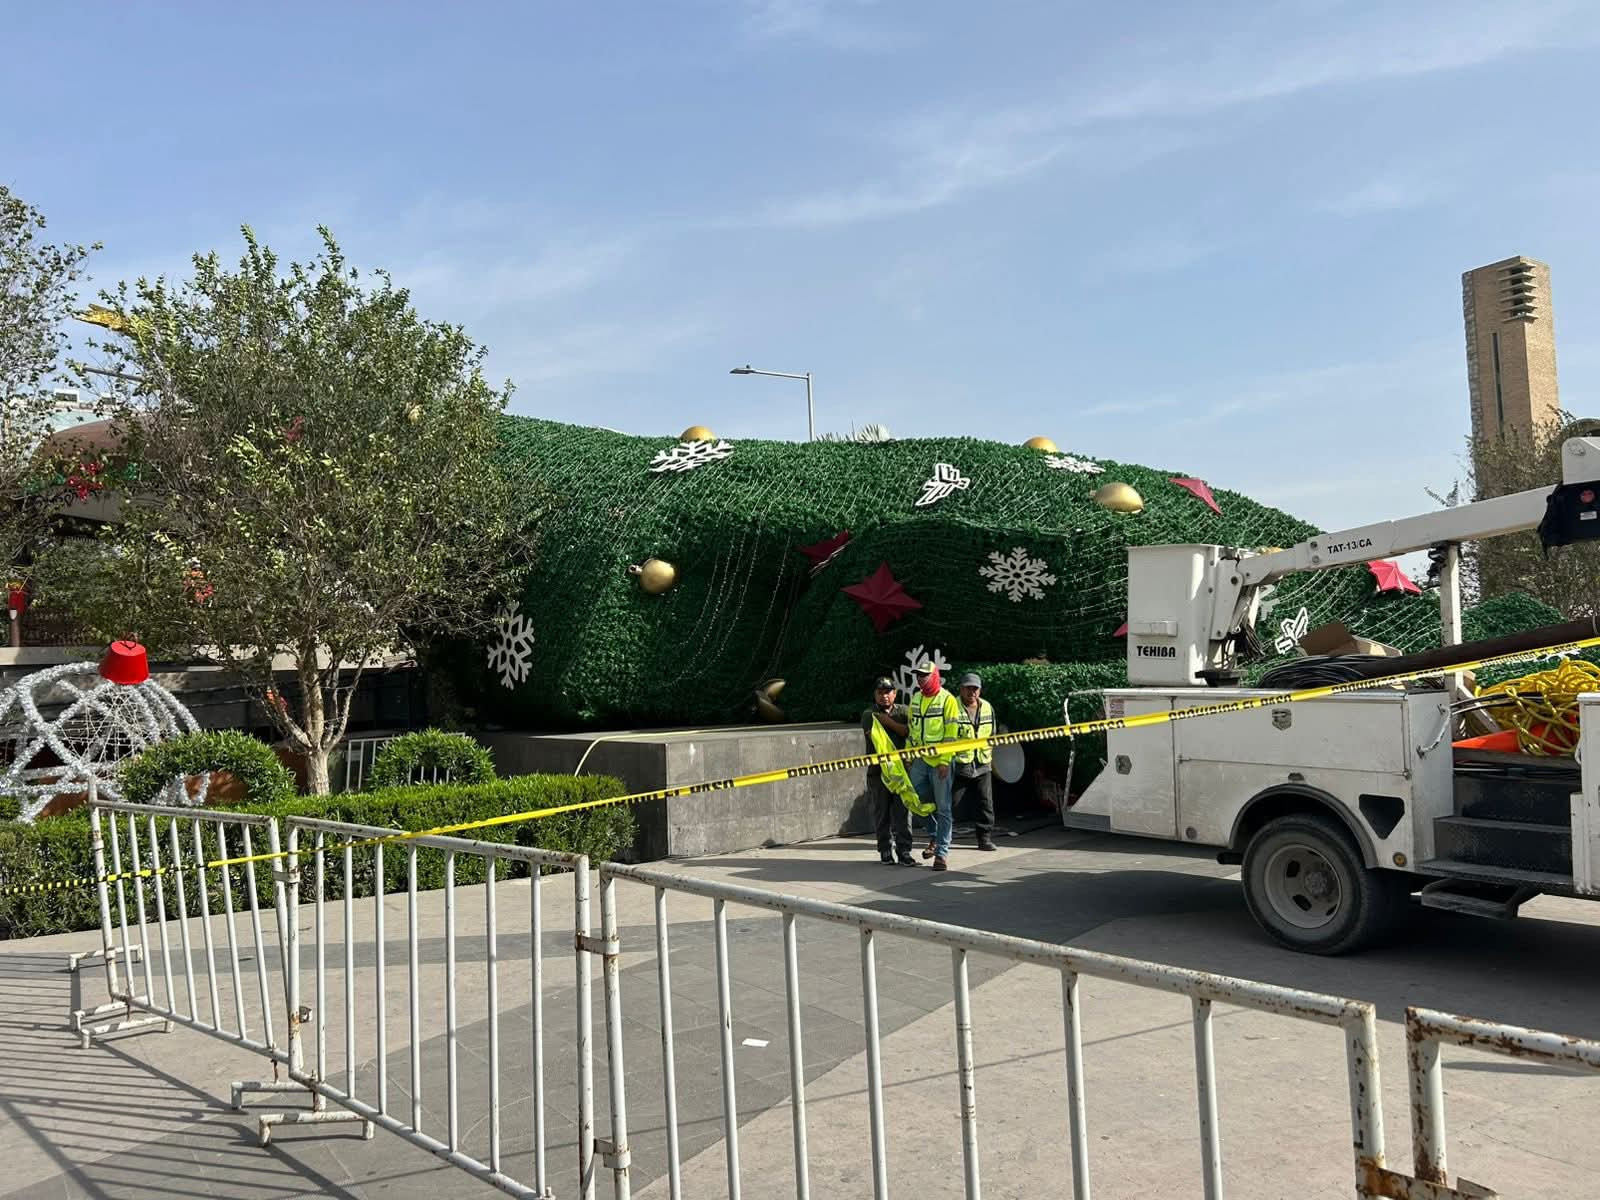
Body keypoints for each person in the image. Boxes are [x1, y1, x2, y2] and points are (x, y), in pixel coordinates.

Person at [906, 659, 961, 870]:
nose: (920, 678)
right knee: (913, 800)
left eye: (924, 674)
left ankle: (942, 854)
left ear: (934, 675)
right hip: (920, 759)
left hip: (941, 761)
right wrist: (910, 758)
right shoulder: (916, 699)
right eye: (918, 675)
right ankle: (934, 835)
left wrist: (945, 761)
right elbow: (912, 730)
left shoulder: (947, 700)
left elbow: (951, 733)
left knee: (944, 808)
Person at [861, 677, 914, 865]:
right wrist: (895, 725)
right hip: (878, 772)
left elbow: (908, 732)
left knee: (903, 813)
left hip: (902, 772)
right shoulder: (869, 714)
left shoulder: (905, 711)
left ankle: (904, 851)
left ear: (895, 693)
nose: (884, 696)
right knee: (881, 813)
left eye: (888, 692)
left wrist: (887, 722)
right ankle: (885, 850)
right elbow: (875, 736)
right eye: (880, 692)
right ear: (875, 695)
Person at [950, 672, 998, 851]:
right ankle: (942, 839)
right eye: (968, 688)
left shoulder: (987, 707)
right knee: (952, 804)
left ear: (980, 690)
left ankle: (984, 838)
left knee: (985, 803)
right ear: (961, 689)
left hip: (982, 763)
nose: (972, 692)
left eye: (975, 688)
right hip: (960, 763)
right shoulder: (952, 706)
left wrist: (989, 755)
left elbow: (992, 733)